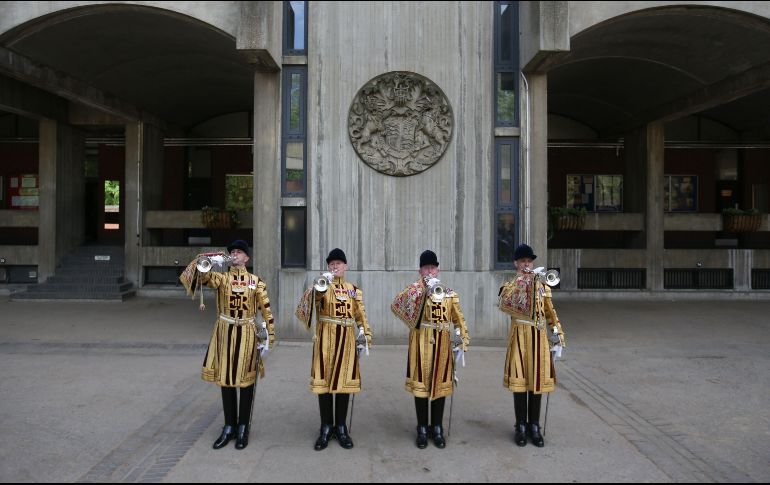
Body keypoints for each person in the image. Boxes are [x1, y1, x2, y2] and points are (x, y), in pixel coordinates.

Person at [180, 239, 275, 450]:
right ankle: (229, 426)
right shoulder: (221, 279)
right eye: (232, 252)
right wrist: (206, 261)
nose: (235, 255)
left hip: (248, 333)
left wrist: (269, 336)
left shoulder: (256, 282)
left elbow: (266, 310)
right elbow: (202, 277)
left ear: (247, 258)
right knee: (226, 379)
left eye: (240, 252)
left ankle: (243, 427)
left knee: (246, 380)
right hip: (224, 332)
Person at [294, 248, 373, 451]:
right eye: (331, 263)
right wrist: (318, 289)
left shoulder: (354, 290)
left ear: (345, 267)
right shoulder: (320, 286)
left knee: (344, 384)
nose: (335, 266)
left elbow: (360, 314)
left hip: (346, 340)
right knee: (325, 383)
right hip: (325, 340)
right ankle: (326, 426)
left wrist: (365, 333)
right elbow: (306, 306)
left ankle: (341, 427)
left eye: (339, 263)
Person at [391, 250, 470, 449]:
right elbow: (396, 304)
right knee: (421, 385)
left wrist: (462, 340)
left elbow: (458, 319)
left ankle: (437, 427)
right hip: (420, 342)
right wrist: (422, 291)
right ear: (420, 270)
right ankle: (422, 428)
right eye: (426, 268)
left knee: (440, 385)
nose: (430, 271)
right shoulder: (414, 290)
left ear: (438, 269)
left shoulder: (449, 293)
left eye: (433, 268)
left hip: (443, 343)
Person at [497, 244, 566, 448]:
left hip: (538, 336)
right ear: (516, 264)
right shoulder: (511, 284)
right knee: (520, 382)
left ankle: (534, 425)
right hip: (519, 336)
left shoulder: (542, 286)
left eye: (529, 261)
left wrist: (557, 336)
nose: (527, 264)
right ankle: (520, 425)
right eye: (523, 261)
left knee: (537, 382)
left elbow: (550, 312)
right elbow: (503, 303)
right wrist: (522, 281)